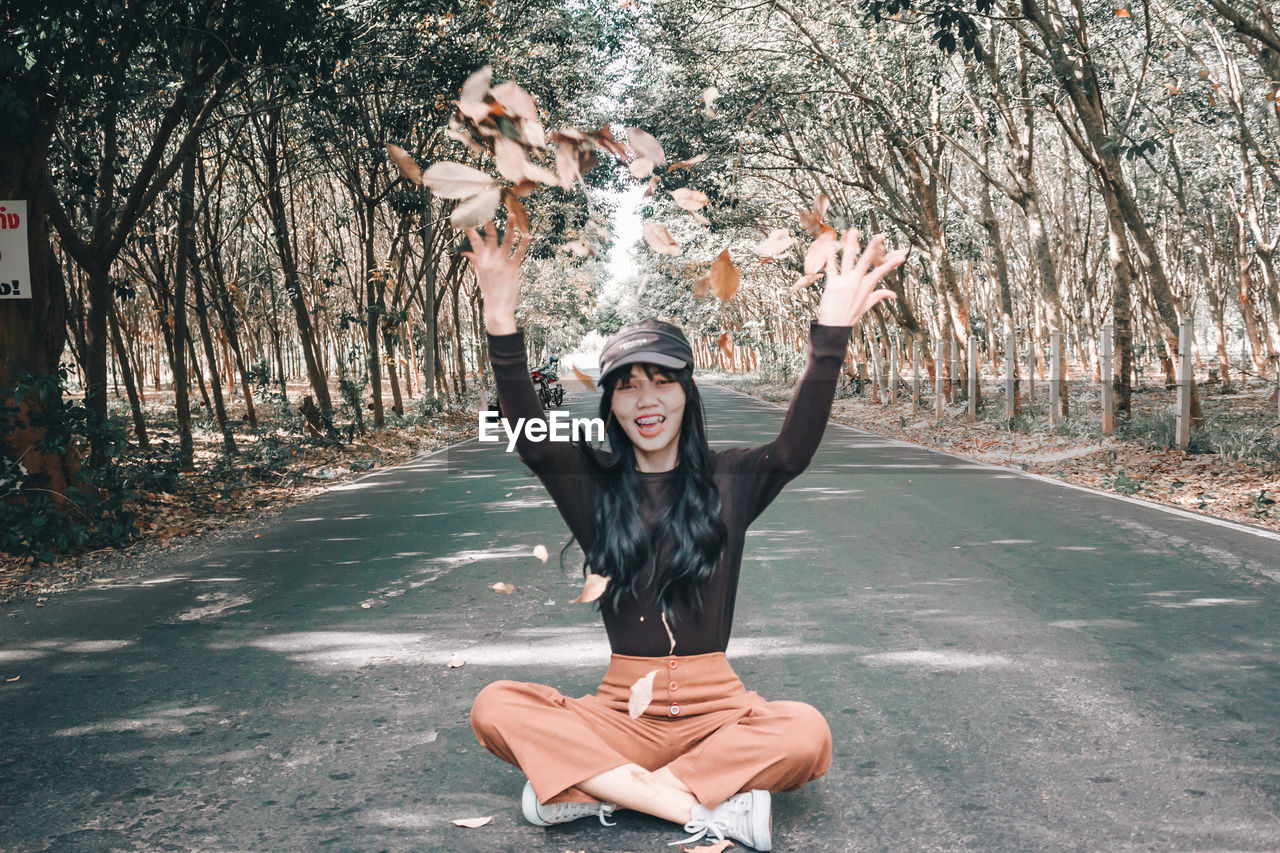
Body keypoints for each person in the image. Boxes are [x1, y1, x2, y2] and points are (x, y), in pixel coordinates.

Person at [463, 219, 907, 850]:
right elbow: (529, 434)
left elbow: (793, 450)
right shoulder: (593, 486)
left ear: (687, 394)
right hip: (621, 713)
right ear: (611, 406)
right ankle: (701, 807)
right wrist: (501, 315)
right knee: (496, 706)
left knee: (806, 733)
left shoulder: (730, 480)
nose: (646, 398)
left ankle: (590, 790)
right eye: (627, 385)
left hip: (720, 712)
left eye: (663, 379)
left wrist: (830, 333)